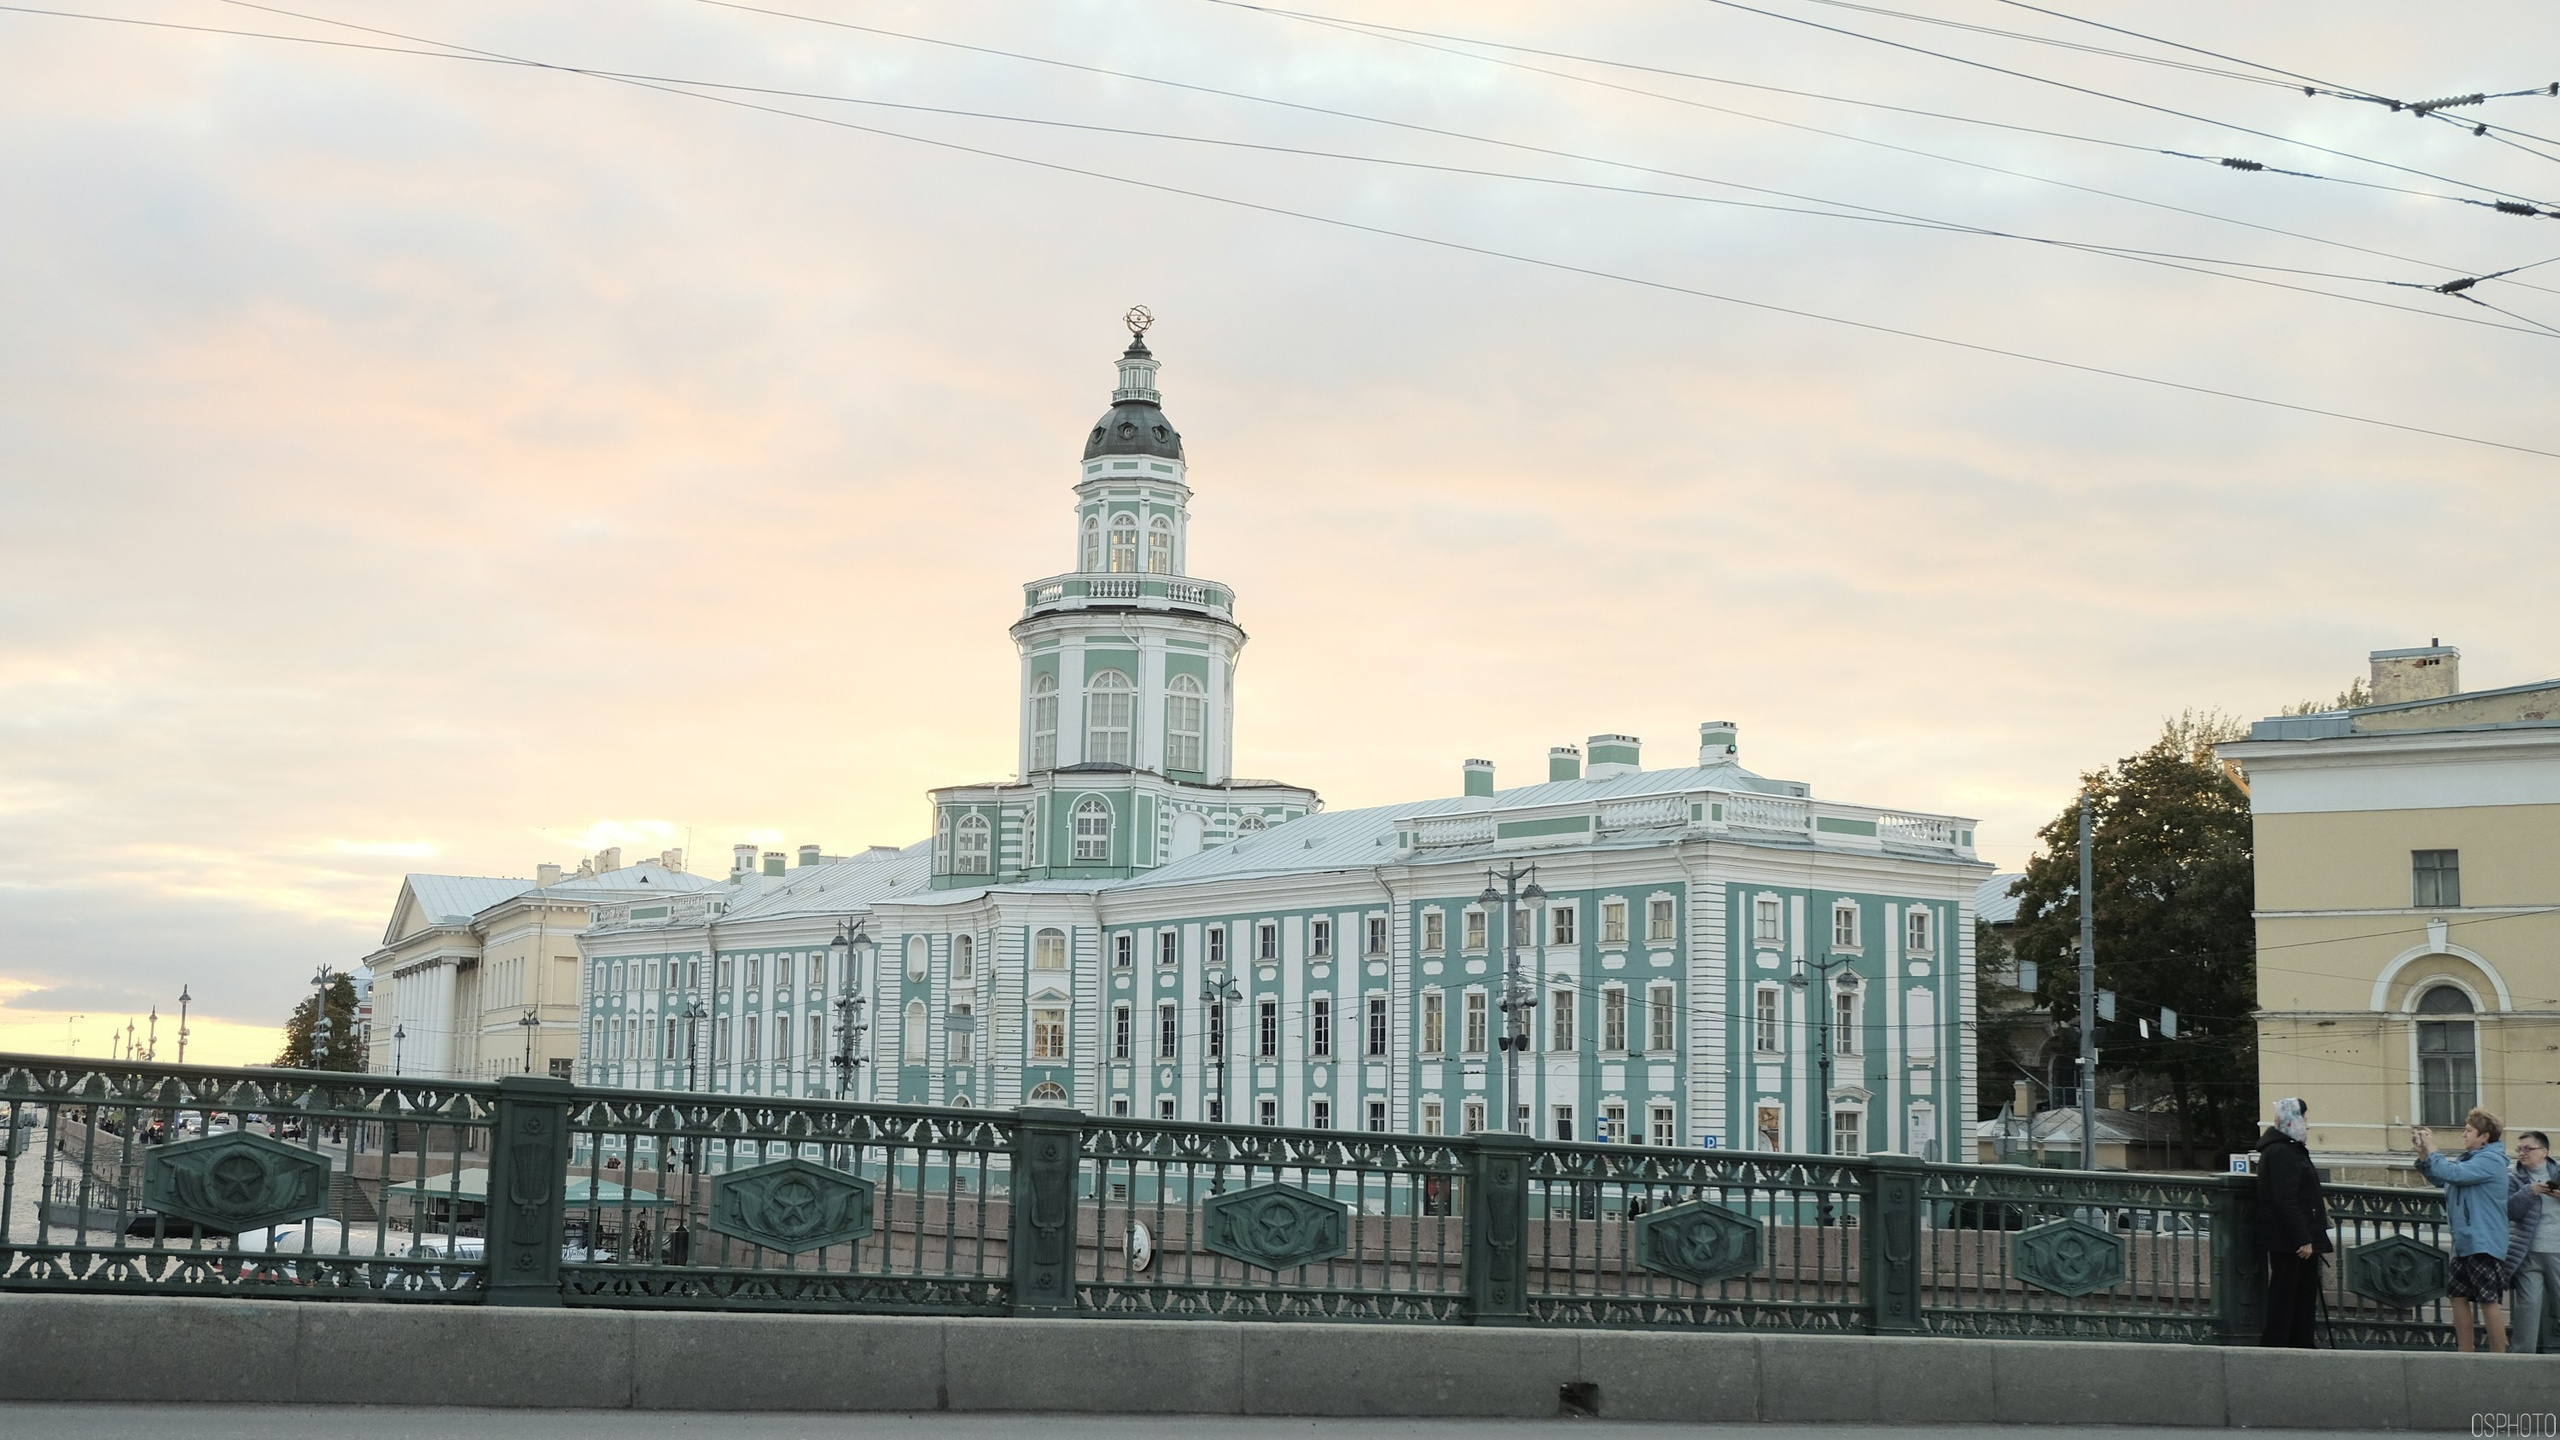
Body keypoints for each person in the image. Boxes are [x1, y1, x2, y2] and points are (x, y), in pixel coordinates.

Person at [2416, 1107, 2512, 1352]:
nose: (2463, 1134)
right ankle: (2465, 1354)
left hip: (2484, 1240)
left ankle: (2499, 1357)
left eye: (2469, 1130)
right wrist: (2425, 1154)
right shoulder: (2469, 1159)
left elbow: (2452, 1173)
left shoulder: (2490, 1160)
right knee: (2457, 1296)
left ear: (2484, 1137)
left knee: (2487, 1300)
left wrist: (2434, 1148)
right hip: (2465, 1241)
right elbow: (2441, 1177)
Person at [2255, 1097, 2332, 1347]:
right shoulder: (2282, 1152)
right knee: (2287, 1297)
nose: (2307, 1124)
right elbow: (2285, 1199)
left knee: (2300, 1296)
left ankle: (2299, 1345)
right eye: (2303, 1118)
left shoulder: (2285, 1149)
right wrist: (2304, 1239)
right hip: (2291, 1243)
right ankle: (2281, 1347)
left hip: (2293, 1240)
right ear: (2292, 1121)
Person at [2509, 1131, 2560, 1354]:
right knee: (2527, 1308)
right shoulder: (2513, 1178)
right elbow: (2511, 1211)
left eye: (2528, 1149)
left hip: (2557, 1251)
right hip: (2527, 1253)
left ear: (2544, 1152)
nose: (2522, 1154)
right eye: (2520, 1149)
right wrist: (2528, 1192)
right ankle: (2521, 1362)